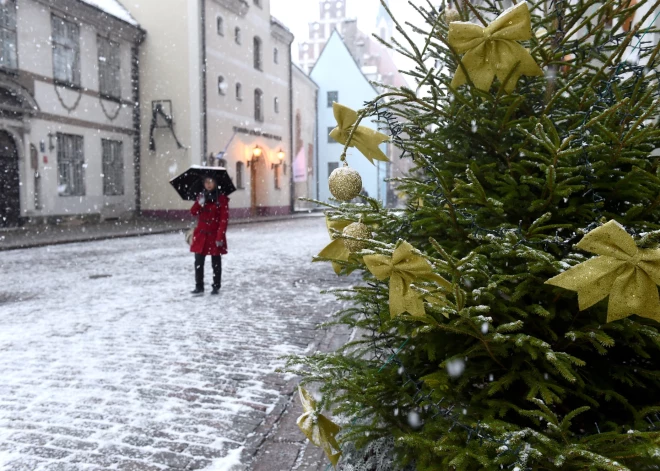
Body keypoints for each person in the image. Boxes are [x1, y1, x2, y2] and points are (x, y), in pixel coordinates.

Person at [189, 176, 229, 295]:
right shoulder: (201, 197)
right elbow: (193, 212)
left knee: (216, 262)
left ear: (216, 183)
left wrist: (220, 237)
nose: (208, 184)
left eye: (211, 182)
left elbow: (223, 220)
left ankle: (216, 286)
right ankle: (199, 286)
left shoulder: (221, 199)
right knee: (198, 262)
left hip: (214, 235)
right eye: (206, 182)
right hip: (201, 235)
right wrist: (199, 203)